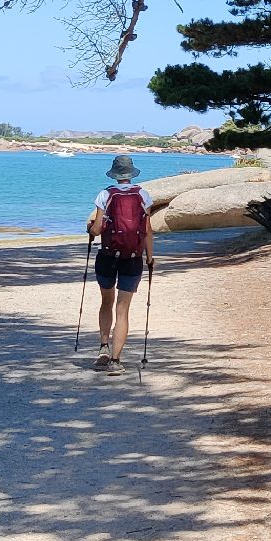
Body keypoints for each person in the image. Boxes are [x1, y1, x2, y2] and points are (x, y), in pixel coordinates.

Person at [86, 154, 153, 375]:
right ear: (131, 173)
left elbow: (97, 229)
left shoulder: (105, 194)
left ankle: (103, 347)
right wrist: (150, 257)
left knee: (107, 301)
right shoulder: (143, 195)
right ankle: (116, 361)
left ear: (114, 174)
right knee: (123, 309)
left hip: (107, 256)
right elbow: (147, 230)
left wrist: (90, 229)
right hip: (132, 257)